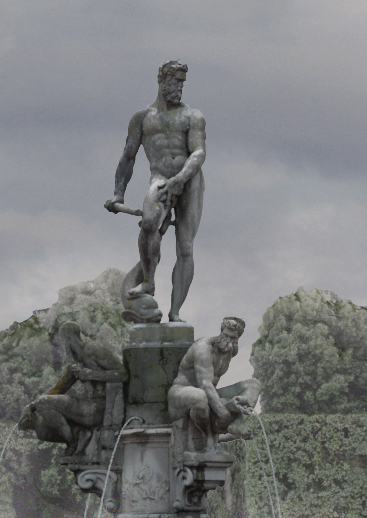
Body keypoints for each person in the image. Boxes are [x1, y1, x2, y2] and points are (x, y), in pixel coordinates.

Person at [106, 60, 204, 323]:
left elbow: (198, 152)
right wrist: (118, 193)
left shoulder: (193, 116)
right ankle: (148, 282)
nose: (179, 88)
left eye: (183, 83)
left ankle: (174, 313)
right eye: (175, 82)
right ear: (162, 81)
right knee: (149, 223)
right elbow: (128, 156)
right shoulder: (142, 118)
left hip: (190, 179)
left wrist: (181, 178)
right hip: (160, 178)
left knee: (184, 247)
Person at [19, 321, 124, 454]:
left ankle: (74, 440)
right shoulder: (75, 363)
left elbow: (122, 373)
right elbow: (58, 389)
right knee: (42, 417)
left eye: (64, 340)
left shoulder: (92, 350)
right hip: (86, 407)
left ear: (68, 337)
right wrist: (30, 407)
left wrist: (91, 374)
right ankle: (77, 436)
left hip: (99, 408)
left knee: (43, 403)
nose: (64, 345)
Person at [168, 316, 261, 452]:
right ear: (221, 331)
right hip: (182, 394)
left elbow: (211, 388)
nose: (228, 340)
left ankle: (238, 424)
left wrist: (232, 405)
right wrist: (224, 411)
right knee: (200, 396)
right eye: (226, 335)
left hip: (209, 394)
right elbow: (205, 385)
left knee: (254, 385)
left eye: (233, 338)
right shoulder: (203, 349)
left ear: (237, 338)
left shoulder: (232, 350)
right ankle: (208, 434)